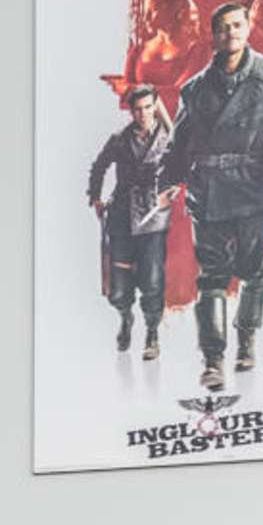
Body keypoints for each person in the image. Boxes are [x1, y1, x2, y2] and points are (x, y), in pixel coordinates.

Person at [170, 0, 263, 387]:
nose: (230, 32)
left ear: (247, 29)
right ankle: (213, 359)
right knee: (211, 278)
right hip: (208, 190)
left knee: (253, 271)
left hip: (252, 184)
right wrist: (167, 181)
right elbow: (179, 143)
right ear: (213, 36)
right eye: (223, 27)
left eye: (236, 25)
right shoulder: (195, 89)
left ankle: (246, 342)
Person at [88, 80, 178, 360]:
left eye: (148, 108)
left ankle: (152, 332)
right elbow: (99, 167)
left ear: (154, 107)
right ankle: (125, 318)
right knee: (118, 287)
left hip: (153, 216)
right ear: (131, 111)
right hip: (122, 216)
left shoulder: (168, 139)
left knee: (152, 280)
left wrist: (174, 185)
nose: (144, 114)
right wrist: (96, 197)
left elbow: (182, 165)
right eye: (138, 109)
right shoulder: (119, 140)